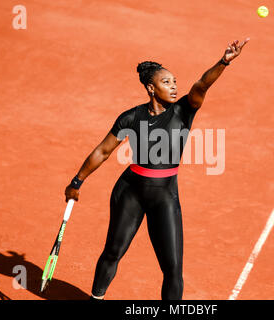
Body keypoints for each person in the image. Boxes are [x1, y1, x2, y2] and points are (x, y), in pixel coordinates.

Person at [64, 38, 250, 300]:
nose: (174, 87)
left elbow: (202, 84)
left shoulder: (184, 110)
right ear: (151, 88)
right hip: (129, 193)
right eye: (166, 82)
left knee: (173, 269)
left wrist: (223, 62)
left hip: (165, 197)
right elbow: (103, 151)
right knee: (112, 252)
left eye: (174, 81)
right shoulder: (130, 117)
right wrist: (76, 182)